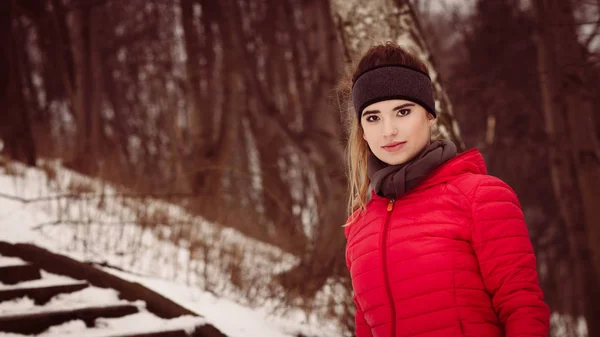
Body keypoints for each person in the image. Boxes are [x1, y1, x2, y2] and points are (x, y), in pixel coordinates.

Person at [341, 42, 550, 337]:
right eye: (373, 117)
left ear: (430, 115)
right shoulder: (360, 225)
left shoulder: (481, 197)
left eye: (402, 111)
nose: (388, 130)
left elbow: (524, 310)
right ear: (362, 130)